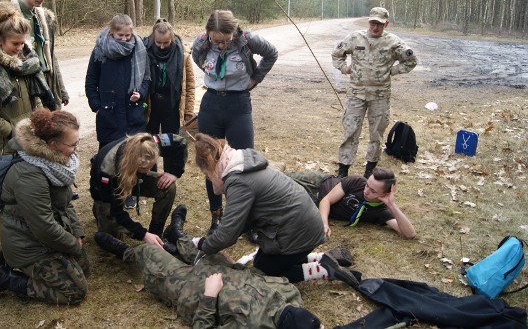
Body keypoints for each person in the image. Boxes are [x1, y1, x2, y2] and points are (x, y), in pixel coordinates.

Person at [189, 134, 358, 285]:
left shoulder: (238, 180)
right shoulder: (242, 163)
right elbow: (240, 220)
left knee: (263, 271)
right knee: (262, 261)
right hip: (302, 223)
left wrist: (205, 244)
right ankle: (319, 258)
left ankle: (323, 269)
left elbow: (227, 234)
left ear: (211, 165)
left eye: (206, 174)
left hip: (299, 231)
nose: (209, 179)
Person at [93, 230, 323, 328]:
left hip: (192, 288)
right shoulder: (291, 297)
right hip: (223, 270)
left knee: (149, 253)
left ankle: (125, 251)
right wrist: (235, 266)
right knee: (201, 246)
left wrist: (209, 296)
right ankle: (177, 235)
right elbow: (260, 277)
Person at [0, 108, 89, 304]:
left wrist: (77, 233)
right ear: (53, 144)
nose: (76, 149)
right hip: (27, 244)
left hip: (42, 237)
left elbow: (65, 203)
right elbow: (43, 226)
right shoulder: (29, 175)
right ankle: (5, 278)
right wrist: (72, 244)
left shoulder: (55, 164)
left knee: (84, 269)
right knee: (75, 291)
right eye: (73, 144)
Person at [191, 9, 278, 235]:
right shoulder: (202, 41)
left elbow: (271, 53)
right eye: (216, 41)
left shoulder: (248, 39)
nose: (221, 46)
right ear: (209, 33)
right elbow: (196, 57)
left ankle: (247, 219)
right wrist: (212, 76)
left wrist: (255, 78)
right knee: (210, 162)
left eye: (226, 41)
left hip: (239, 105)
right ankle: (216, 218)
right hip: (211, 104)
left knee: (245, 163)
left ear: (234, 33)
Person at [332, 7, 417, 179]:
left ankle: (370, 169)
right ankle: (343, 170)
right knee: (350, 130)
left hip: (380, 96)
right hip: (356, 93)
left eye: (379, 24)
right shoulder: (355, 38)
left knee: (376, 134)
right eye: (372, 23)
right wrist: (345, 68)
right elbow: (337, 54)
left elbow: (412, 60)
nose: (375, 27)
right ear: (368, 21)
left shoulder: (394, 42)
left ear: (386, 24)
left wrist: (392, 71)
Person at [0, 0, 55, 162]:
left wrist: (40, 122)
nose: (19, 48)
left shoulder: (27, 65)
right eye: (14, 43)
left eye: (23, 43)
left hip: (29, 141)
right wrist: (11, 131)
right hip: (4, 148)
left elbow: (35, 97)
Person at [85, 13, 151, 209]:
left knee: (131, 157)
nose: (123, 39)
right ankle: (103, 193)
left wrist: (140, 93)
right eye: (119, 35)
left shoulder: (139, 49)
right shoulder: (99, 51)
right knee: (107, 158)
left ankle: (128, 191)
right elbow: (91, 81)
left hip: (133, 114)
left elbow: (146, 78)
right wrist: (97, 106)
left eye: (127, 36)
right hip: (109, 115)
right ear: (111, 32)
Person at [89, 132, 187, 248]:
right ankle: (99, 211)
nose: (148, 171)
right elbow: (115, 211)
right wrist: (142, 234)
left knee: (168, 187)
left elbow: (181, 142)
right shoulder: (107, 171)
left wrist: (174, 172)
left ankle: (156, 234)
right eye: (145, 168)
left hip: (133, 175)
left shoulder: (149, 143)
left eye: (151, 165)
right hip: (105, 191)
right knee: (110, 237)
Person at [286, 168, 416, 240]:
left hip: (311, 202)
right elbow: (327, 200)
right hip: (317, 183)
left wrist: (392, 205)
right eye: (367, 186)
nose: (366, 191)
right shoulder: (357, 181)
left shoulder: (380, 212)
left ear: (385, 194)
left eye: (373, 191)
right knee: (276, 180)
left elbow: (410, 234)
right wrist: (324, 224)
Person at [11, 0, 69, 109]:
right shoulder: (9, 19)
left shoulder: (45, 19)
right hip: (27, 85)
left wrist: (61, 90)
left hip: (48, 83)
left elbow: (51, 56)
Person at [143, 18, 195, 135]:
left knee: (170, 141)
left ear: (172, 38)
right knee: (150, 140)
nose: (162, 46)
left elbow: (190, 85)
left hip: (172, 105)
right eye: (158, 42)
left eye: (166, 43)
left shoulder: (183, 55)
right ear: (153, 38)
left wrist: (188, 110)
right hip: (151, 104)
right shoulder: (145, 52)